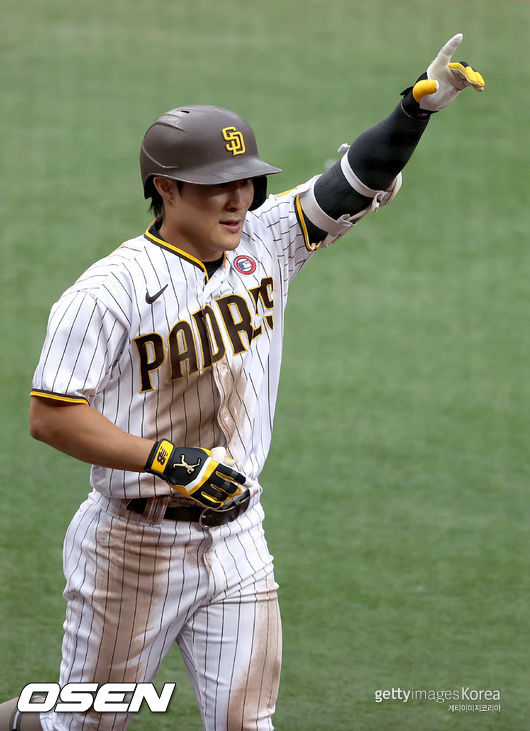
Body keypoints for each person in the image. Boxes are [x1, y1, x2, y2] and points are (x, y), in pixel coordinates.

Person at [0, 34, 484, 731]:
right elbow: (51, 415)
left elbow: (350, 183)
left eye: (246, 179)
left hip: (238, 539)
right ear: (165, 188)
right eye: (214, 183)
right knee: (84, 724)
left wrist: (413, 110)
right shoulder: (107, 291)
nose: (238, 198)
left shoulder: (266, 239)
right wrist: (167, 459)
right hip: (132, 548)